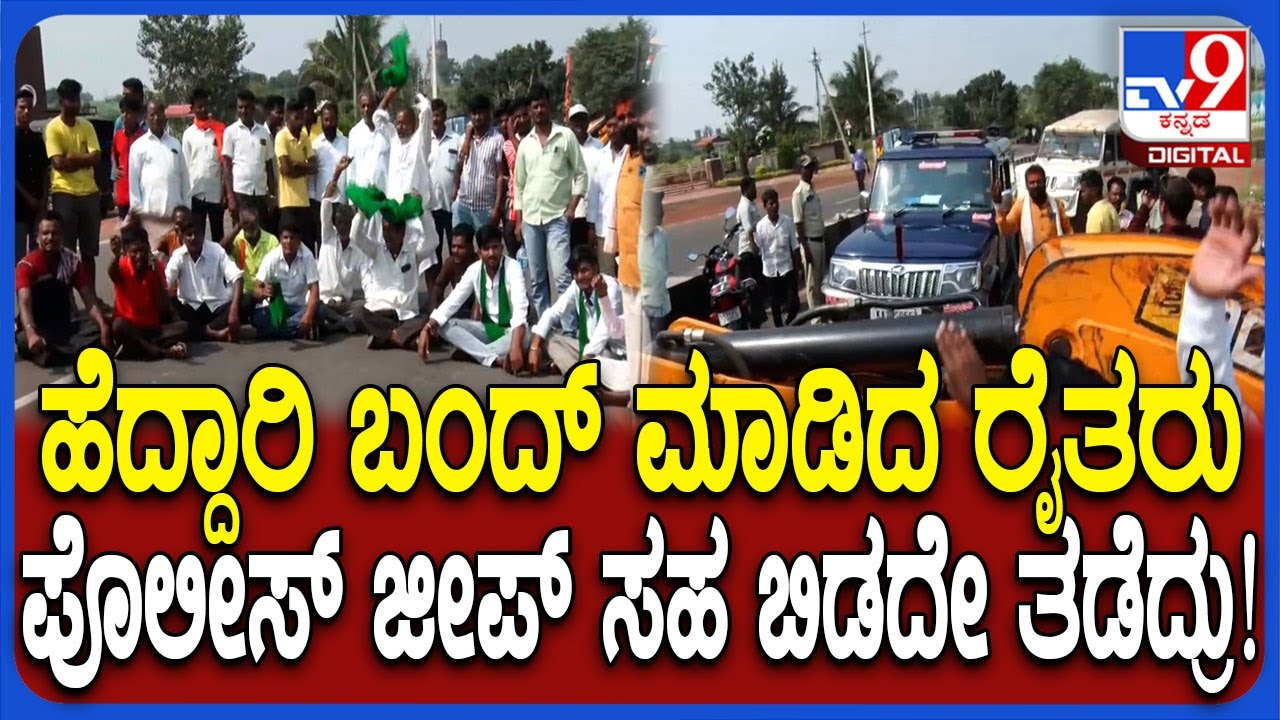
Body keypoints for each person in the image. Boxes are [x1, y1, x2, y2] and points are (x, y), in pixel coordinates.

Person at [515, 82, 588, 327]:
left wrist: (571, 209)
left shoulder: (565, 136)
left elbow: (581, 175)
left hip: (558, 218)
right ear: (529, 111)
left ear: (550, 107)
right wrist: (519, 218)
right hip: (531, 221)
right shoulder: (526, 144)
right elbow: (519, 184)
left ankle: (570, 330)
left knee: (563, 278)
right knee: (537, 280)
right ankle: (545, 330)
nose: (538, 111)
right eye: (534, 107)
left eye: (542, 106)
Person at [420, 224, 530, 371]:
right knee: (445, 325)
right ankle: (494, 358)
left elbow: (520, 311)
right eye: (486, 249)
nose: (491, 253)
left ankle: (474, 352)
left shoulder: (513, 268)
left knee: (526, 337)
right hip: (487, 329)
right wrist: (427, 328)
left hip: (511, 331)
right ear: (479, 252)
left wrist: (515, 345)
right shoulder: (475, 270)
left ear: (502, 248)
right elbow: (453, 300)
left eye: (495, 247)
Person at [15, 210, 112, 367]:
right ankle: (57, 352)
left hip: (65, 323)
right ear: (38, 237)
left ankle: (62, 353)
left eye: (55, 233)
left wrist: (103, 326)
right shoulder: (26, 266)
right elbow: (24, 304)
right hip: (38, 327)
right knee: (24, 340)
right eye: (45, 233)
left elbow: (88, 298)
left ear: (62, 236)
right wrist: (31, 333)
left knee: (105, 323)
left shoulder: (71, 261)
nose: (50, 238)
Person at [528, 244, 628, 392]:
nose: (580, 277)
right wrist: (534, 347)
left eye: (584, 270)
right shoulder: (577, 286)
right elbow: (553, 312)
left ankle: (575, 372)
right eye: (576, 272)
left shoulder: (609, 287)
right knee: (548, 337)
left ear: (595, 268)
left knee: (595, 361)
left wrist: (586, 360)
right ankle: (579, 373)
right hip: (588, 350)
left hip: (611, 354)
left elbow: (603, 332)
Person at [347, 187, 436, 351]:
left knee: (426, 319)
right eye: (384, 230)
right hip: (381, 312)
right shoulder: (376, 251)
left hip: (407, 315)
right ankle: (400, 338)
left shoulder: (413, 253)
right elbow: (355, 236)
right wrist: (363, 212)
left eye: (391, 231)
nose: (386, 236)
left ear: (402, 232)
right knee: (358, 311)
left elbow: (433, 240)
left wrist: (422, 212)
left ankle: (384, 337)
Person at [44, 78, 103, 283]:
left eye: (78, 98)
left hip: (89, 194)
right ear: (61, 101)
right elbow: (58, 163)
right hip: (65, 194)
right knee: (66, 252)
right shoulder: (53, 128)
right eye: (72, 100)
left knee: (89, 253)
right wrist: (83, 159)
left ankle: (91, 297)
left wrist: (73, 158)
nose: (76, 104)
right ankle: (67, 301)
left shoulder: (86, 126)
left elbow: (96, 157)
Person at [108, 224, 189, 360]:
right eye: (134, 252)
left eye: (143, 250)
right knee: (118, 326)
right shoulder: (122, 266)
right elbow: (112, 271)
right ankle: (163, 352)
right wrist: (116, 256)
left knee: (184, 327)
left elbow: (162, 307)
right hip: (130, 328)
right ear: (127, 252)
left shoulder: (155, 266)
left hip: (152, 330)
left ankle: (136, 349)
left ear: (148, 249)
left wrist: (156, 275)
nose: (139, 256)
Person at [165, 214, 244, 343]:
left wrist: (234, 310)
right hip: (191, 309)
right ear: (182, 237)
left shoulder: (216, 250)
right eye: (189, 235)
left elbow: (237, 277)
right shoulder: (178, 255)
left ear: (203, 234)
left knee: (245, 300)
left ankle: (199, 332)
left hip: (216, 308)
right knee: (170, 305)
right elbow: (166, 282)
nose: (193, 238)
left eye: (197, 234)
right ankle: (212, 334)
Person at [251, 220, 322, 340]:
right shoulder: (272, 257)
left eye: (292, 238)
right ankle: (296, 331)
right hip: (277, 310)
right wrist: (263, 292)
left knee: (319, 309)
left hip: (298, 308)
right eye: (285, 238)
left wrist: (308, 315)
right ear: (280, 239)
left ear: (299, 240)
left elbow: (314, 288)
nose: (288, 242)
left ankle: (279, 332)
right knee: (258, 317)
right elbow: (256, 289)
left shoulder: (307, 256)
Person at [317, 159, 366, 333]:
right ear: (335, 224)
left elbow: (368, 279)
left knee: (364, 308)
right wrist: (337, 174)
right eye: (339, 222)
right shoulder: (328, 237)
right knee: (315, 307)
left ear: (352, 223)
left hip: (344, 304)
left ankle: (337, 323)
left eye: (347, 223)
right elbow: (326, 204)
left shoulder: (358, 251)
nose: (343, 226)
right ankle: (341, 323)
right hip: (322, 300)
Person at [452, 94, 507, 241]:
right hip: (463, 207)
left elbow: (500, 176)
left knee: (487, 253)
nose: (477, 117)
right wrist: (454, 195)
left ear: (488, 113)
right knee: (460, 252)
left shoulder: (497, 139)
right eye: (474, 113)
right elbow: (458, 169)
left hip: (486, 209)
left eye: (481, 113)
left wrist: (497, 208)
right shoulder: (463, 139)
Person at [994, 164, 1072, 264]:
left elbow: (1069, 233)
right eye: (1032, 183)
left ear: (1045, 182)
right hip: (1030, 268)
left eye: (1039, 182)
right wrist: (998, 206)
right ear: (1027, 185)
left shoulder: (1056, 205)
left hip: (1055, 266)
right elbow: (1006, 230)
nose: (1036, 186)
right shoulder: (1021, 206)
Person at [222, 90, 276, 232]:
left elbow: (269, 166)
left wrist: (272, 195)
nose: (243, 110)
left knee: (262, 232)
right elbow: (226, 168)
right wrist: (230, 197)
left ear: (253, 108)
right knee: (241, 233)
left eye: (247, 107)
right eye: (240, 107)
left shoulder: (263, 133)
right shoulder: (230, 132)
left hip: (260, 193)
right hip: (241, 192)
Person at [129, 101, 189, 219]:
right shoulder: (138, 146)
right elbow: (134, 185)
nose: (156, 118)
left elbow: (185, 179)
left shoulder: (175, 144)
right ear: (146, 118)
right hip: (150, 214)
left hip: (174, 214)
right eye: (152, 115)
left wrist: (187, 208)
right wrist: (138, 214)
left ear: (165, 116)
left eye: (160, 114)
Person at [374, 87, 434, 206]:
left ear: (414, 125)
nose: (400, 127)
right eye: (398, 123)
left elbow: (426, 110)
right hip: (394, 208)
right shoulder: (393, 138)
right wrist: (390, 93)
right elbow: (377, 118)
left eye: (404, 124)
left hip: (415, 208)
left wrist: (419, 97)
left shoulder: (420, 141)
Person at [183, 87, 227, 244]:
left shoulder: (220, 130)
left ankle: (219, 266)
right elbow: (186, 166)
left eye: (206, 105)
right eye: (199, 106)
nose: (203, 109)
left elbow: (224, 165)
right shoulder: (188, 134)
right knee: (197, 234)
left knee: (218, 235)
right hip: (196, 193)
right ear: (192, 109)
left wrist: (226, 192)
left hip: (215, 193)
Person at [275, 99, 317, 254]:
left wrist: (296, 166)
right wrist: (300, 166)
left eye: (302, 117)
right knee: (288, 250)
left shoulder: (305, 137)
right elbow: (286, 170)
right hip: (287, 204)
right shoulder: (281, 137)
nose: (300, 122)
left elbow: (314, 167)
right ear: (288, 117)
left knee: (307, 249)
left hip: (304, 203)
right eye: (296, 118)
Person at [755, 188, 802, 327]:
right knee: (775, 304)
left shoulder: (787, 222)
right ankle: (780, 330)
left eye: (776, 203)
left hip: (786, 268)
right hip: (770, 271)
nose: (774, 206)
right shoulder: (761, 227)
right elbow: (759, 251)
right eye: (771, 204)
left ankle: (789, 322)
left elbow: (794, 246)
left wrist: (798, 268)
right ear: (765, 206)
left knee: (794, 302)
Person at [309, 100, 349, 259]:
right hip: (322, 201)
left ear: (337, 119)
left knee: (344, 242)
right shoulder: (316, 145)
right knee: (324, 242)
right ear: (321, 121)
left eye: (332, 119)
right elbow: (312, 176)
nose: (329, 123)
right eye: (326, 120)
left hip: (342, 201)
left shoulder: (346, 143)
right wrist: (313, 200)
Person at [425, 97, 460, 277]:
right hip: (431, 207)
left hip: (451, 206)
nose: (435, 119)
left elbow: (461, 170)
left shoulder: (456, 140)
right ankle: (436, 295)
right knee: (433, 254)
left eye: (438, 115)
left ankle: (459, 292)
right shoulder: (424, 140)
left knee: (457, 253)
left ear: (445, 116)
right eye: (432, 116)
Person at [15, 86, 50, 265]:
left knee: (39, 258)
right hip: (17, 210)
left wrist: (44, 198)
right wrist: (29, 198)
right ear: (14, 109)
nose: (26, 111)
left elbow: (45, 170)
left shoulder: (37, 139)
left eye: (29, 107)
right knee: (19, 259)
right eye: (22, 107)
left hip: (38, 209)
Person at [567, 103, 606, 250]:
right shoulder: (565, 147)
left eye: (582, 119)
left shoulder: (600, 146)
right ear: (569, 123)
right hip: (573, 213)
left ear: (588, 121)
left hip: (595, 213)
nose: (579, 124)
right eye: (575, 120)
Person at [222, 202, 280, 290]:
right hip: (244, 291)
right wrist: (237, 227)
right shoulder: (238, 239)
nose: (250, 227)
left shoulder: (271, 240)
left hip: (264, 289)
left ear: (258, 221)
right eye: (246, 223)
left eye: (253, 223)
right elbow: (220, 250)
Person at [1128, 175, 1204, 240]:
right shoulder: (1201, 239)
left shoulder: (1154, 241)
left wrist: (1144, 207)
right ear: (1190, 206)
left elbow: (1129, 239)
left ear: (1163, 206)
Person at [791, 155, 822, 310]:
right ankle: (816, 320)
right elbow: (798, 224)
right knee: (811, 285)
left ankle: (823, 314)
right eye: (807, 167)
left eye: (811, 167)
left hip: (820, 240)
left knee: (820, 282)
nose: (810, 170)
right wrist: (806, 248)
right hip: (810, 243)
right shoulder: (799, 193)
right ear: (800, 170)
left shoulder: (812, 189)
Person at [638, 189, 670, 340]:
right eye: (657, 207)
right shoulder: (635, 238)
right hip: (642, 305)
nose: (661, 211)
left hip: (661, 303)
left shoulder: (662, 235)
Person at [347, 88, 393, 191]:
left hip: (385, 194)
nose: (366, 109)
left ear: (376, 107)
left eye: (369, 105)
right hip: (363, 196)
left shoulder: (388, 130)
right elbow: (351, 168)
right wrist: (352, 201)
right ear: (359, 108)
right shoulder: (354, 133)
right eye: (363, 106)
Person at [430, 223, 478, 319]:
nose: (455, 250)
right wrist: (434, 312)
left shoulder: (479, 264)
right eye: (453, 246)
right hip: (457, 308)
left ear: (471, 248)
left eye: (460, 247)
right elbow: (438, 286)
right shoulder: (450, 262)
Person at [503, 96, 531, 256]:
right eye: (516, 118)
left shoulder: (536, 139)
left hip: (533, 203)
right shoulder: (507, 145)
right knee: (511, 240)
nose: (521, 120)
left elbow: (525, 158)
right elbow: (511, 170)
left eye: (524, 116)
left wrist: (512, 135)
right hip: (515, 202)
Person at [735, 176, 764, 328]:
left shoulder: (750, 204)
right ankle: (754, 321)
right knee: (751, 289)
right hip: (748, 252)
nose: (755, 190)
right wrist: (755, 251)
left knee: (756, 288)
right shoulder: (744, 207)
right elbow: (749, 231)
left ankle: (757, 319)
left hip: (753, 250)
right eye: (753, 187)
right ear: (746, 190)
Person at [111, 96, 146, 220]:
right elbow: (114, 158)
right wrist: (115, 188)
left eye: (128, 112)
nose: (124, 116)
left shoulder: (145, 138)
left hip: (142, 196)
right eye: (122, 112)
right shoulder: (118, 136)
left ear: (137, 115)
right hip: (123, 195)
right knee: (126, 233)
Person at [1187, 167, 1216, 233]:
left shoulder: (1208, 213)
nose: (1188, 190)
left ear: (1202, 190)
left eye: (1191, 187)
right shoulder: (1213, 205)